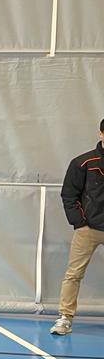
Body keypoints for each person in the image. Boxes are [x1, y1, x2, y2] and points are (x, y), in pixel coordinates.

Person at [51, 118, 104, 335]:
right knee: (73, 274)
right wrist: (80, 223)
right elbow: (69, 195)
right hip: (88, 229)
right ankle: (65, 318)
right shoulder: (83, 162)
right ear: (101, 133)